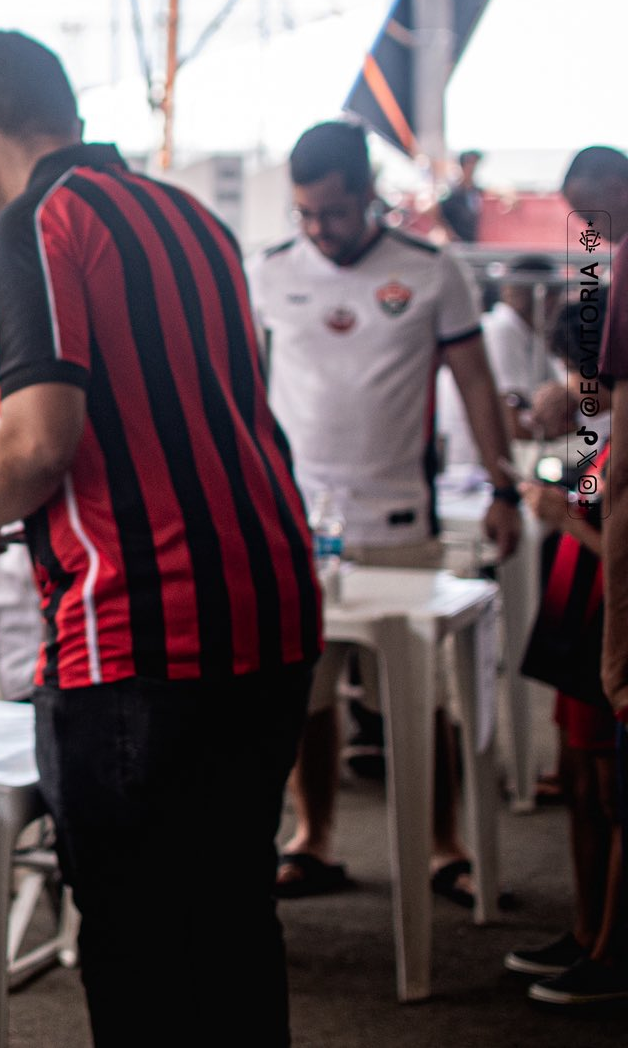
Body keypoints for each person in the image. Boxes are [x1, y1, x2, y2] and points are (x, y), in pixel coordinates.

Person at [0, 30, 319, 1047]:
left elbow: (37, 440)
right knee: (233, 914)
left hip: (140, 635)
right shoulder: (193, 221)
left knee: (140, 938)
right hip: (270, 602)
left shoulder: (31, 227)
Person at [248, 119, 521, 909]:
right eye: (305, 214)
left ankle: (444, 844)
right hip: (299, 521)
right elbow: (243, 385)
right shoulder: (268, 272)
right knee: (309, 693)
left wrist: (503, 490)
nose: (319, 230)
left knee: (420, 694)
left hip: (400, 517)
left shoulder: (432, 272)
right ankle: (315, 839)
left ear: (369, 197)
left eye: (333, 213)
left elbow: (473, 382)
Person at [507, 293, 628, 1004]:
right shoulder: (602, 433)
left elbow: (616, 542)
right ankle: (588, 931)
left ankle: (611, 951)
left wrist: (562, 519)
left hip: (600, 620)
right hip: (576, 616)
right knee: (583, 787)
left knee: (610, 794)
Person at [438, 253, 558, 473]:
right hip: (468, 468)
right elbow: (512, 423)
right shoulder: (503, 329)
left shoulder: (530, 337)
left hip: (478, 467)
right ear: (546, 296)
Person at [439, 149, 485, 243]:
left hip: (470, 242)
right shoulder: (452, 191)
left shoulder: (473, 190)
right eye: (470, 164)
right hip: (455, 244)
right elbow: (434, 209)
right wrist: (448, 232)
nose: (473, 168)